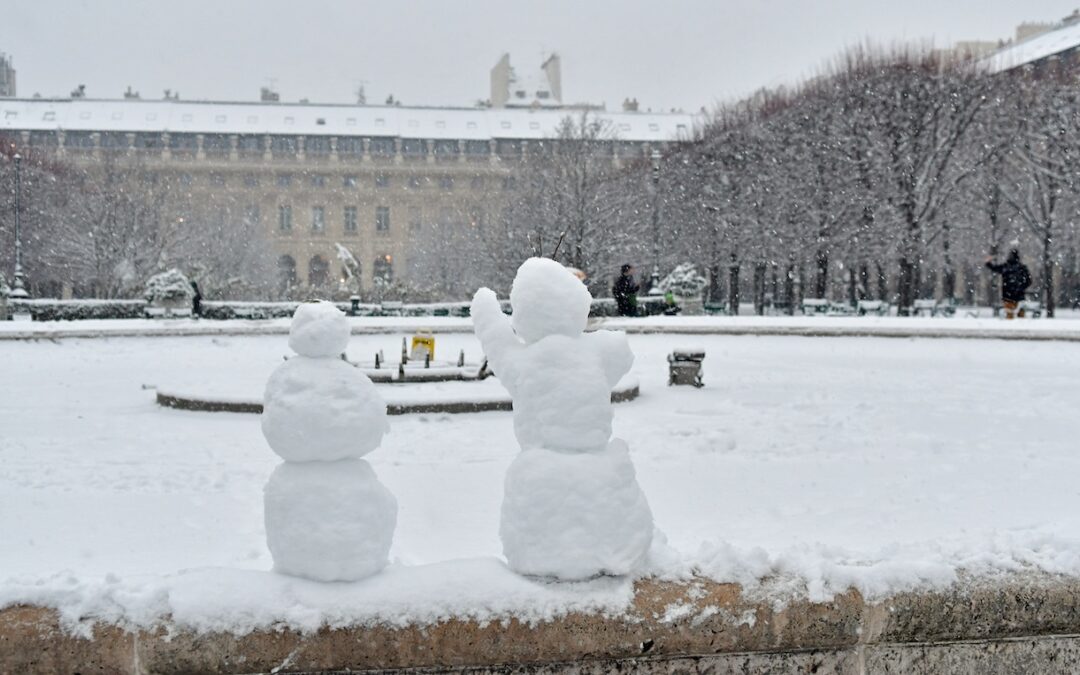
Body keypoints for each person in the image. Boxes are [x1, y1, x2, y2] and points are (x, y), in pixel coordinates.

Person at [985, 249, 1032, 319]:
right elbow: (1029, 281)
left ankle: (1010, 325)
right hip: (1019, 295)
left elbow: (994, 268)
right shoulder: (1022, 268)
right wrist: (1021, 288)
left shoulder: (1006, 267)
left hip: (1007, 295)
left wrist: (988, 262)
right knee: (1021, 316)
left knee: (1009, 314)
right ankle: (1020, 325)